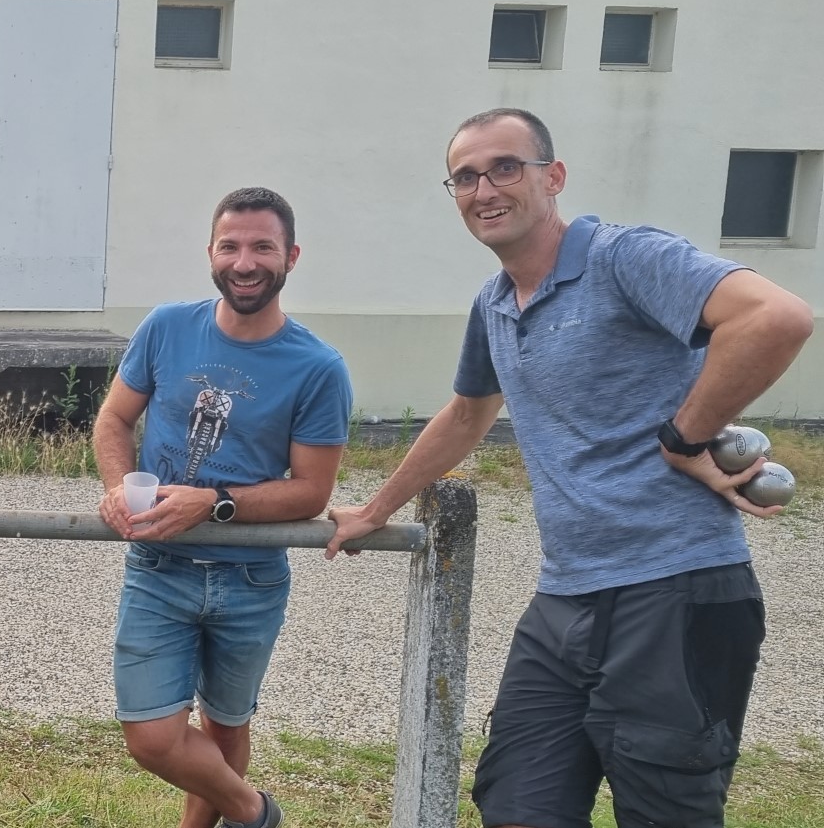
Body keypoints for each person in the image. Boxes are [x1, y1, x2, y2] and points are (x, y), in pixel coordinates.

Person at [327, 108, 814, 828]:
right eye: (465, 175)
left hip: (674, 588)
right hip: (565, 600)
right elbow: (467, 414)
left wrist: (686, 437)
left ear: (552, 177)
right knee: (518, 805)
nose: (484, 187)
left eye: (504, 167)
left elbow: (776, 318)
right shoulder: (494, 304)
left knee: (666, 812)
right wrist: (377, 508)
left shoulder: (625, 257)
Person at [91, 187, 351, 828]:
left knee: (227, 727)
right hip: (158, 567)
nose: (245, 262)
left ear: (290, 256)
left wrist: (215, 504)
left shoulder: (318, 367)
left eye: (263, 247)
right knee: (151, 737)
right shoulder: (166, 327)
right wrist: (121, 485)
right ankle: (256, 814)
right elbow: (113, 421)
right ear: (211, 252)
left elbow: (311, 491)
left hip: (252, 577)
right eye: (230, 246)